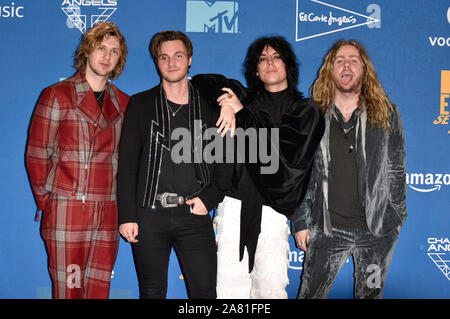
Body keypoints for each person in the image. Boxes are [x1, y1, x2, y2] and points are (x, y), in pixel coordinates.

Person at [194, 36, 324, 298]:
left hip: (272, 211)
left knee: (271, 290)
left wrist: (242, 114)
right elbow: (201, 81)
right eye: (263, 59)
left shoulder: (304, 111)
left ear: (288, 66)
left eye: (277, 57)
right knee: (229, 292)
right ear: (255, 69)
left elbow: (279, 156)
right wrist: (226, 104)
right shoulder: (244, 98)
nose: (270, 63)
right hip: (233, 207)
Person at [117, 31, 235, 299]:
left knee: (205, 292)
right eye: (164, 57)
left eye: (178, 56)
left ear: (190, 60)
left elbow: (226, 163)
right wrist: (127, 216)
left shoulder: (211, 108)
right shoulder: (140, 104)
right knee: (151, 291)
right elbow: (126, 165)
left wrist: (209, 199)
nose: (171, 63)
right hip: (149, 214)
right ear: (157, 62)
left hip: (194, 214)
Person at [291, 39, 407, 299]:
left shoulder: (387, 113)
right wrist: (301, 222)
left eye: (354, 60)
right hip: (326, 228)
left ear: (364, 70)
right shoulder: (311, 115)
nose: (347, 64)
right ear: (330, 70)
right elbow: (299, 174)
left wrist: (396, 217)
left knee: (370, 295)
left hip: (377, 232)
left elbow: (396, 168)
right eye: (340, 60)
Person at [26, 21, 129, 299]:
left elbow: (129, 160)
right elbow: (37, 153)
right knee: (69, 290)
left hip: (108, 212)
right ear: (87, 52)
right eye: (101, 48)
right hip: (67, 210)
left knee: (98, 292)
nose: (107, 56)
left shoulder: (124, 102)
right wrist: (50, 200)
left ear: (120, 59)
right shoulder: (57, 95)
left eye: (114, 51)